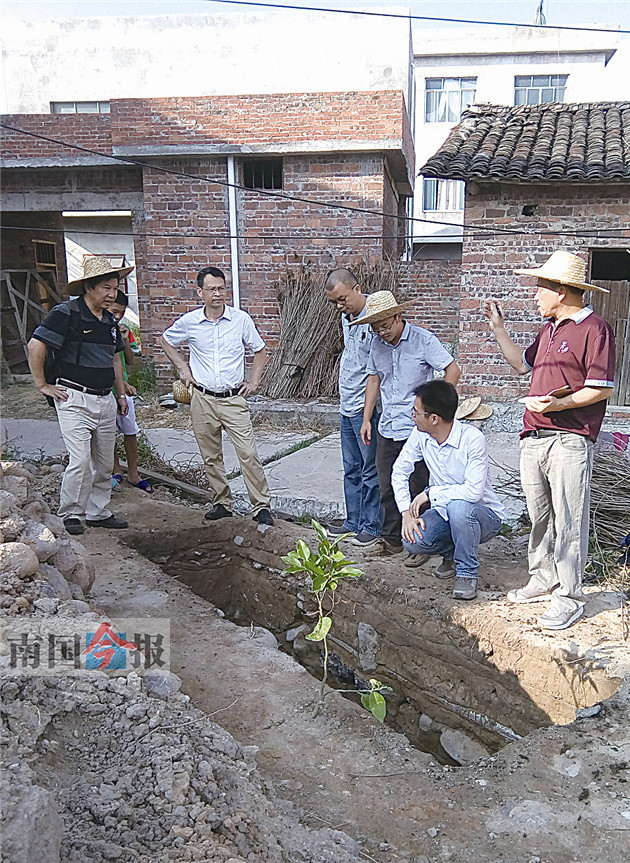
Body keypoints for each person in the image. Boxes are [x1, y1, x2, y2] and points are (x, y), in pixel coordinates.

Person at [484, 249, 616, 630]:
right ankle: (543, 577)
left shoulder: (595, 329)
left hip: (569, 438)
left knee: (570, 518)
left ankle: (570, 596)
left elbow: (600, 389)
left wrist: (556, 407)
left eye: (541, 286)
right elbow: (520, 365)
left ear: (561, 290)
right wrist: (498, 329)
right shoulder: (549, 330)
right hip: (533, 435)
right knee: (540, 515)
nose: (536, 294)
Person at [160, 266, 274, 525]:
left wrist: (254, 381)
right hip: (202, 398)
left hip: (234, 399)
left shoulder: (240, 320)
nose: (218, 293)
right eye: (211, 289)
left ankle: (261, 507)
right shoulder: (190, 322)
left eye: (221, 288)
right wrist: (182, 368)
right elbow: (166, 340)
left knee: (248, 453)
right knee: (211, 456)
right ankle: (222, 502)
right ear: (200, 292)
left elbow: (260, 349)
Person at [27, 256, 132, 536]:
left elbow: (114, 359)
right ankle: (71, 512)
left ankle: (98, 511)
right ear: (88, 287)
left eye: (115, 287)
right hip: (73, 397)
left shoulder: (110, 320)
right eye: (106, 288)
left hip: (105, 398)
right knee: (80, 459)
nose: (112, 294)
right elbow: (36, 344)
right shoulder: (67, 313)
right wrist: (42, 385)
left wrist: (121, 395)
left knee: (104, 461)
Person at [356, 291, 461, 557]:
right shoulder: (377, 345)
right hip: (387, 426)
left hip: (417, 429)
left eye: (385, 325)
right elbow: (374, 380)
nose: (382, 332)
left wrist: (436, 407)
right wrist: (367, 418)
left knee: (418, 486)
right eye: (375, 328)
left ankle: (421, 544)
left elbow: (453, 369)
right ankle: (392, 539)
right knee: (387, 484)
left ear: (398, 316)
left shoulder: (423, 340)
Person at [392, 381, 505, 600]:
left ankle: (467, 573)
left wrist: (430, 493)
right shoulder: (420, 435)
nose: (412, 417)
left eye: (416, 413)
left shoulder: (472, 439)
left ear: (434, 418)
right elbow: (399, 471)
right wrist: (406, 513)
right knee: (412, 539)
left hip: (483, 516)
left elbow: (473, 493)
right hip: (446, 512)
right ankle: (450, 554)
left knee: (459, 508)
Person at [324, 268, 381, 547]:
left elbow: (376, 371)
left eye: (343, 299)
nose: (339, 306)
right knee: (351, 467)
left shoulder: (374, 318)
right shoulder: (347, 319)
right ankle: (353, 521)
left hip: (365, 407)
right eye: (334, 302)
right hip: (347, 405)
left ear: (357, 289)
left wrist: (368, 414)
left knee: (370, 469)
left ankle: (371, 525)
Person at [108, 290, 153, 494]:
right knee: (108, 434)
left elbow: (129, 360)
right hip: (103, 389)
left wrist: (125, 339)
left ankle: (133, 474)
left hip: (122, 389)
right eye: (114, 311)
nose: (118, 316)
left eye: (121, 312)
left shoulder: (122, 329)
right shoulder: (99, 326)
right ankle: (116, 470)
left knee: (130, 430)